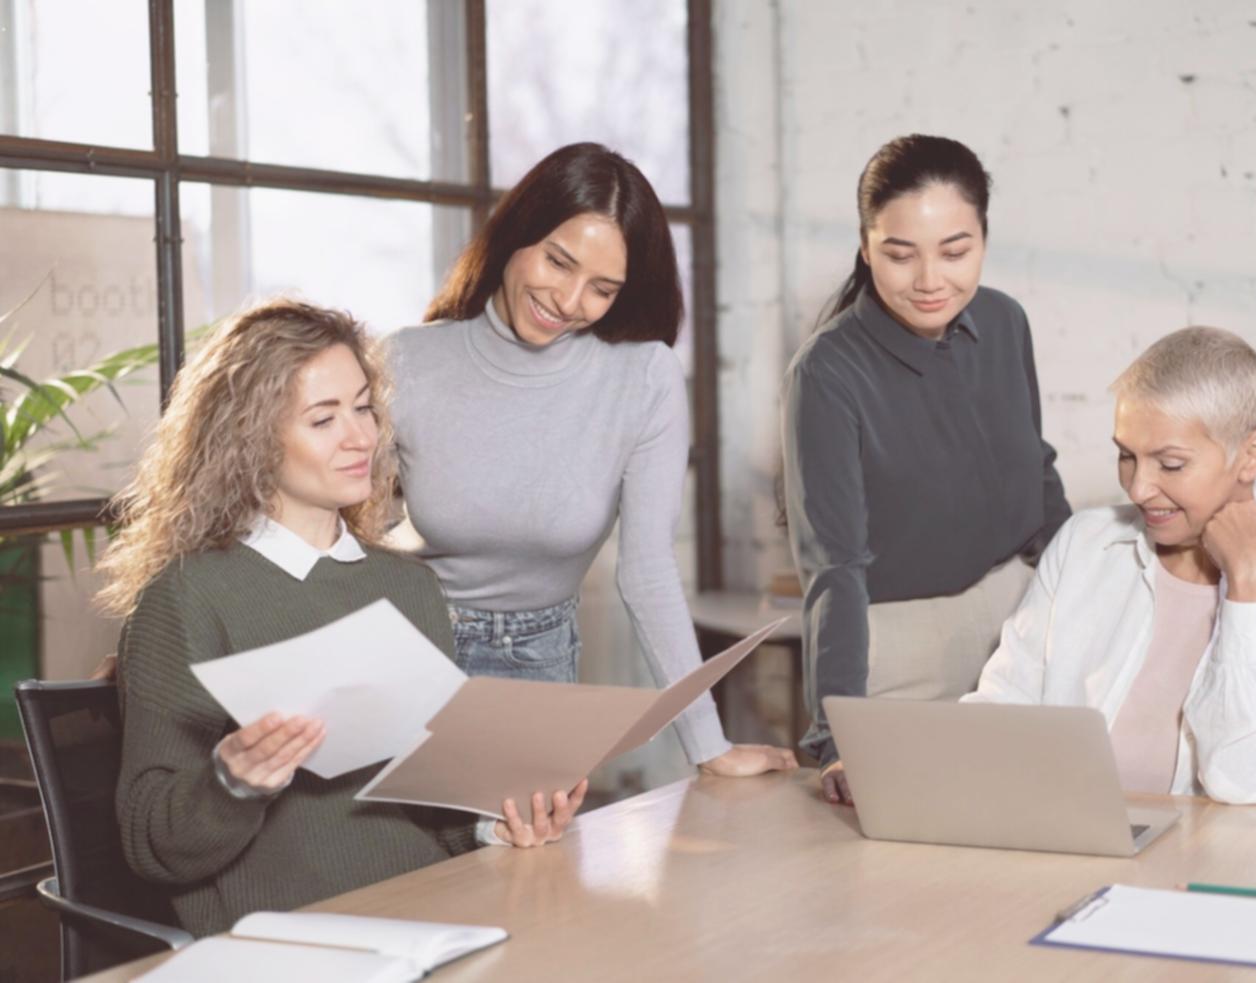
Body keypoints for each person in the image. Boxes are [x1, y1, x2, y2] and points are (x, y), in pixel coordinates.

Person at [97, 300, 584, 936]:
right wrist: (231, 782)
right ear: (250, 439)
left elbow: (426, 803)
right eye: (324, 419)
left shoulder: (408, 585)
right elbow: (152, 845)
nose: (361, 437)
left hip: (438, 910)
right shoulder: (188, 597)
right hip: (295, 936)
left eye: (363, 407)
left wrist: (495, 824)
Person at [386, 143, 794, 779]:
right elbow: (343, 541)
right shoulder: (406, 360)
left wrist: (708, 747)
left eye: (602, 288)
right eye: (557, 261)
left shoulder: (643, 375)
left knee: (524, 872)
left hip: (538, 667)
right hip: (408, 655)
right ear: (516, 234)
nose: (570, 301)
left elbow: (649, 571)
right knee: (398, 876)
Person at [964, 326, 1256, 804]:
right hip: (1069, 835)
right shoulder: (1085, 542)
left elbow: (1241, 784)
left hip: (1223, 857)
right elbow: (1002, 710)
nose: (1138, 489)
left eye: (1171, 464)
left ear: (1252, 454)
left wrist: (1251, 590)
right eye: (1126, 456)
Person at [781, 134, 1070, 804]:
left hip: (1022, 628)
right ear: (865, 246)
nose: (930, 280)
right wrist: (836, 736)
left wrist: (1090, 601)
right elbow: (834, 569)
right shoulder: (827, 372)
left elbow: (1038, 470)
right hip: (901, 655)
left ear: (985, 241)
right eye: (899, 253)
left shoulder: (1003, 322)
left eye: (955, 250)